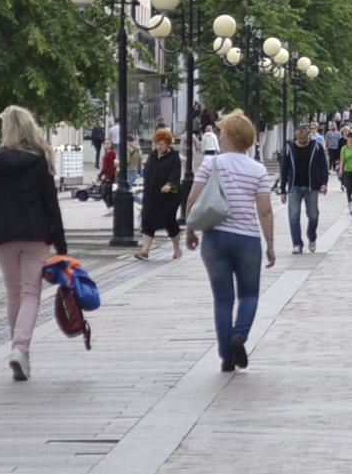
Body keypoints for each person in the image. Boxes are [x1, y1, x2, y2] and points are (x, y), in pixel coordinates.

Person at [0, 105, 68, 383]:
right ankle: (20, 348)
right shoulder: (39, 160)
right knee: (30, 294)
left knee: (13, 293)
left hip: (3, 235)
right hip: (36, 235)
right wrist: (61, 243)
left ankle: (18, 349)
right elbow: (51, 204)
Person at [185, 111, 278, 371]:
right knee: (249, 294)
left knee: (223, 299)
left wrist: (191, 231)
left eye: (223, 131)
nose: (220, 134)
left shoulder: (210, 164)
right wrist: (269, 244)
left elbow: (193, 200)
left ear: (230, 136)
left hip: (215, 237)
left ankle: (226, 356)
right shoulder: (257, 169)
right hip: (247, 239)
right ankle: (240, 335)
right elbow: (265, 211)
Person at [135, 128, 186, 262]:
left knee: (169, 222)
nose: (158, 147)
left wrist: (169, 184)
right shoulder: (152, 156)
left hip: (168, 197)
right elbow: (148, 173)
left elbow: (175, 173)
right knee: (147, 221)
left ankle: (177, 248)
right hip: (151, 195)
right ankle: (145, 251)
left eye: (161, 144)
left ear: (168, 144)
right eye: (156, 144)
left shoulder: (174, 158)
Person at [280, 124, 329, 253]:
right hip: (294, 187)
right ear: (296, 137)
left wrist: (324, 183)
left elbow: (323, 166)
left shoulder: (316, 147)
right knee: (293, 216)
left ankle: (311, 235)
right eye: (299, 139)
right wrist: (283, 190)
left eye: (303, 139)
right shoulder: (289, 148)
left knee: (313, 215)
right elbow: (284, 169)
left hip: (312, 187)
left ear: (308, 135)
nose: (301, 142)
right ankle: (297, 244)